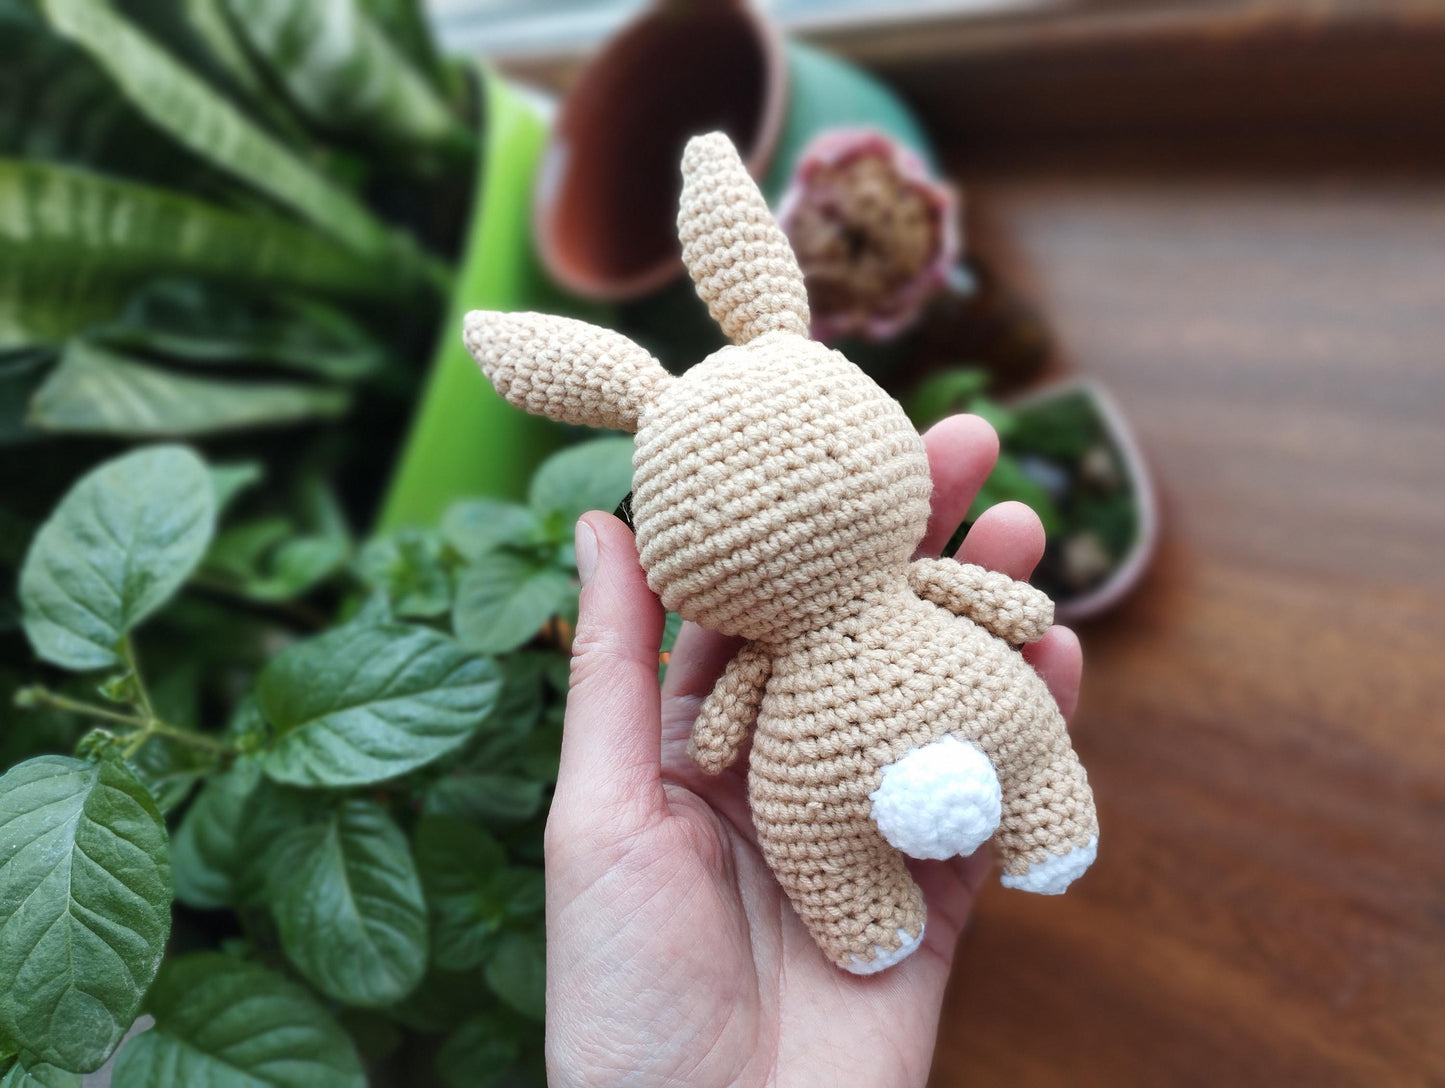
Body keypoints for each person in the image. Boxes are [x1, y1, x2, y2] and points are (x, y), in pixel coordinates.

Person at [545, 415, 1084, 1086]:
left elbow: (713, 741)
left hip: (907, 723)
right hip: (904, 729)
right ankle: (881, 911)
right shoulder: (858, 610)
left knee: (1016, 747)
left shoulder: (895, 591)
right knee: (832, 837)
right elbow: (1021, 613)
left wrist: (715, 731)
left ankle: (1035, 830)